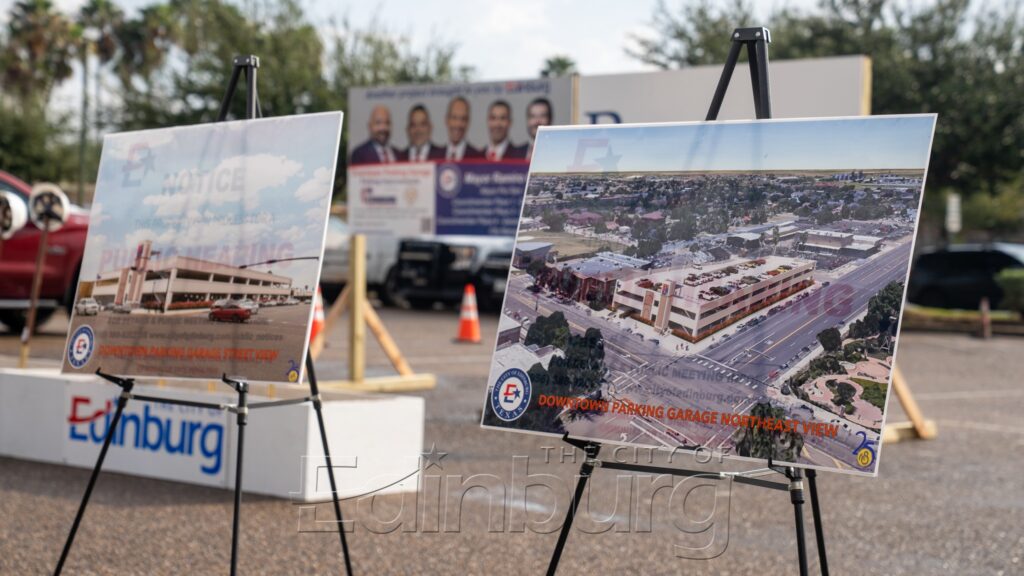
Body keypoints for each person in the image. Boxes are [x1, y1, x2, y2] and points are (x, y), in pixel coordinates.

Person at [443, 96, 483, 161]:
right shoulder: (434, 156)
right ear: (446, 120)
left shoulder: (478, 157)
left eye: (463, 119)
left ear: (468, 122)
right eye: (454, 118)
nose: (458, 124)